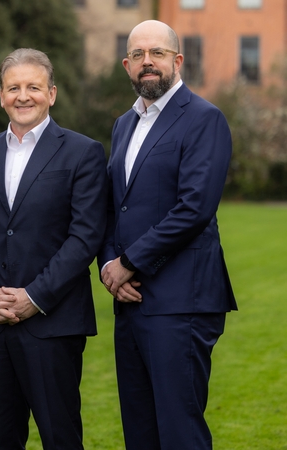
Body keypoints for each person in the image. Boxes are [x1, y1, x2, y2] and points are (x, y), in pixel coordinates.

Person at [0, 48, 108, 449]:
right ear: (1, 96)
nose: (23, 96)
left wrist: (34, 297)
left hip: (53, 324)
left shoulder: (83, 152)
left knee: (61, 437)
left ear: (51, 94)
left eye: (33, 87)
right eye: (13, 88)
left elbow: (85, 237)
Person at [99, 20, 236, 450]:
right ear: (126, 65)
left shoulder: (204, 119)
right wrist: (108, 267)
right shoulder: (124, 124)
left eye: (157, 53)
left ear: (177, 60)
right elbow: (114, 206)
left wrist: (128, 263)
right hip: (131, 302)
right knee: (139, 432)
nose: (147, 62)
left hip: (181, 302)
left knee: (179, 433)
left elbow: (195, 208)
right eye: (138, 55)